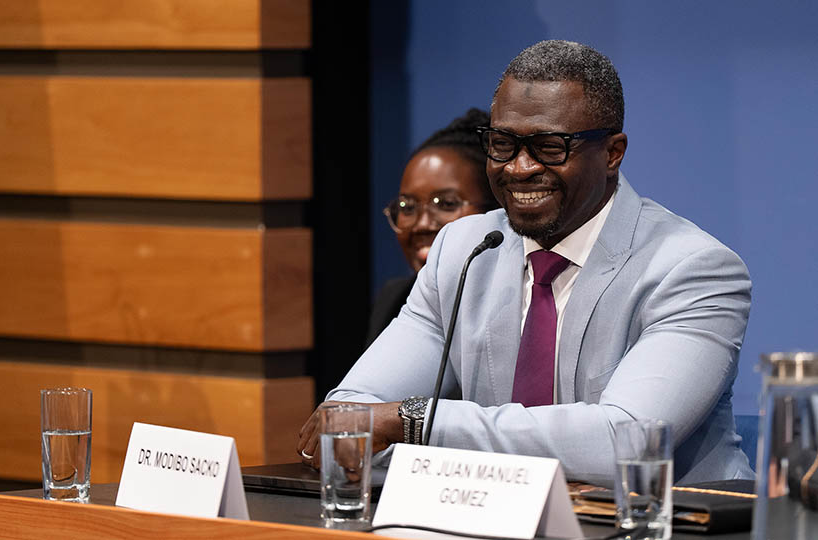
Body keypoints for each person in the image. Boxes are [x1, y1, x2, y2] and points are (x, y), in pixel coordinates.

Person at [298, 40, 753, 486]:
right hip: (495, 517)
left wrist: (416, 422)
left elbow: (627, 443)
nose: (518, 168)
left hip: (665, 521)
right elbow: (347, 419)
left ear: (612, 153)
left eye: (550, 147)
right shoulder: (464, 249)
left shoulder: (692, 269)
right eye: (502, 144)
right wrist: (385, 436)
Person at [367, 108, 498, 346]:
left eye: (446, 204)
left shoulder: (520, 307)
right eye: (407, 207)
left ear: (498, 210)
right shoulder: (394, 300)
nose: (421, 225)